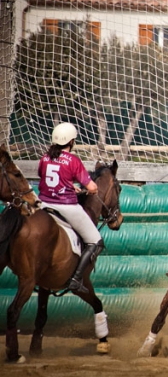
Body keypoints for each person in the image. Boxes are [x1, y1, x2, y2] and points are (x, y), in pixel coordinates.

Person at [37, 122, 103, 294]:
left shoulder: (45, 157)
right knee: (96, 241)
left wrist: (68, 184)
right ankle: (75, 279)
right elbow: (92, 188)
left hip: (43, 204)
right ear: (71, 141)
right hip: (65, 206)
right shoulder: (73, 160)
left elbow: (44, 177)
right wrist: (89, 189)